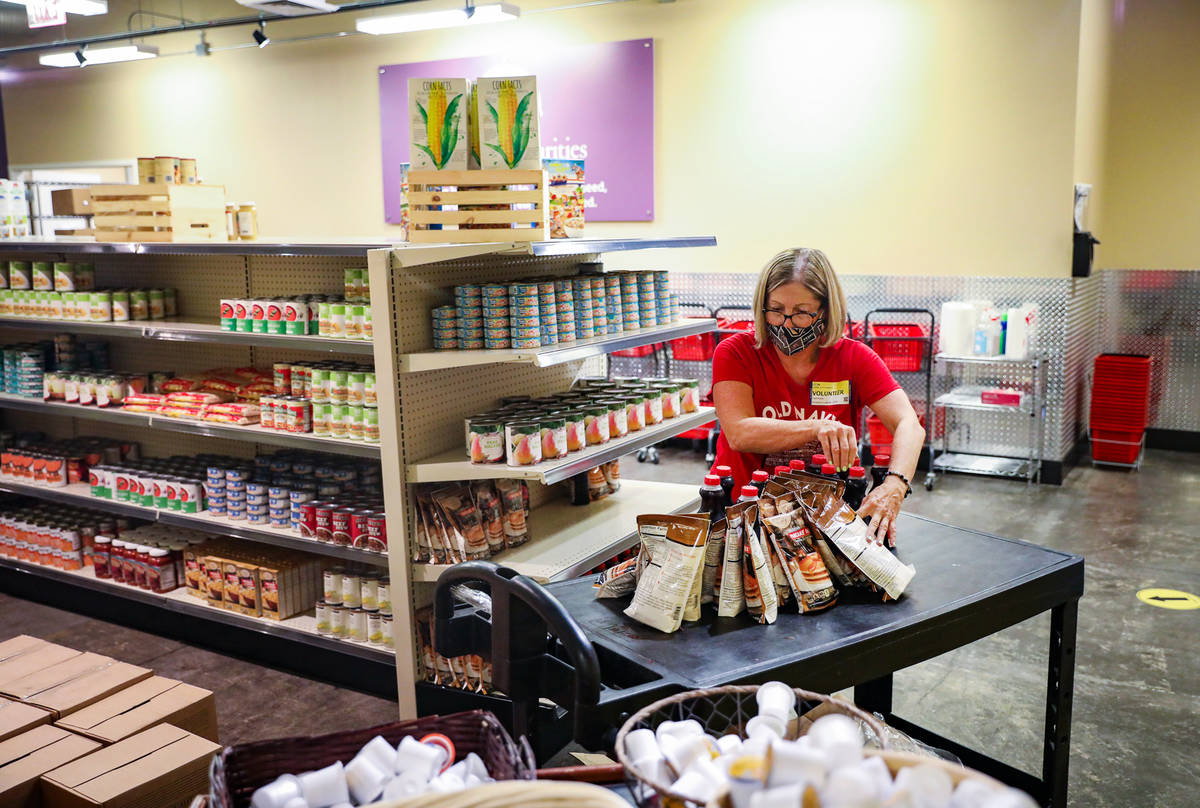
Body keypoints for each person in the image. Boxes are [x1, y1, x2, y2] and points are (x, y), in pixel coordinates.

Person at [711, 248, 925, 545]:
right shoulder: (736, 353)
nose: (786, 323)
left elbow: (908, 424)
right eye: (775, 310)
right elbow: (739, 432)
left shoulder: (854, 358)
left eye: (801, 312)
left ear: (824, 310)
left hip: (825, 517)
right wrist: (816, 427)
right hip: (744, 512)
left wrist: (894, 486)